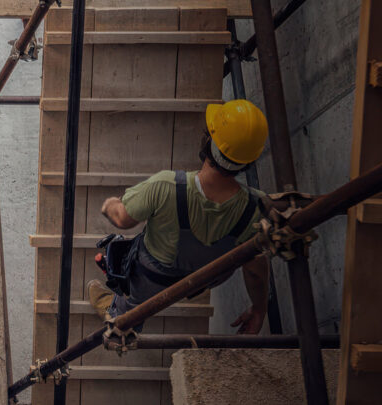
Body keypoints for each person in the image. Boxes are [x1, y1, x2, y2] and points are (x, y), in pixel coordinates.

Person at [90, 99, 273, 334]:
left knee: (134, 299)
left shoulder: (165, 186)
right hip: (202, 281)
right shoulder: (257, 208)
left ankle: (120, 314)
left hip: (152, 280)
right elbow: (256, 270)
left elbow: (123, 220)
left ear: (209, 142)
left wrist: (110, 205)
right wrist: (259, 310)